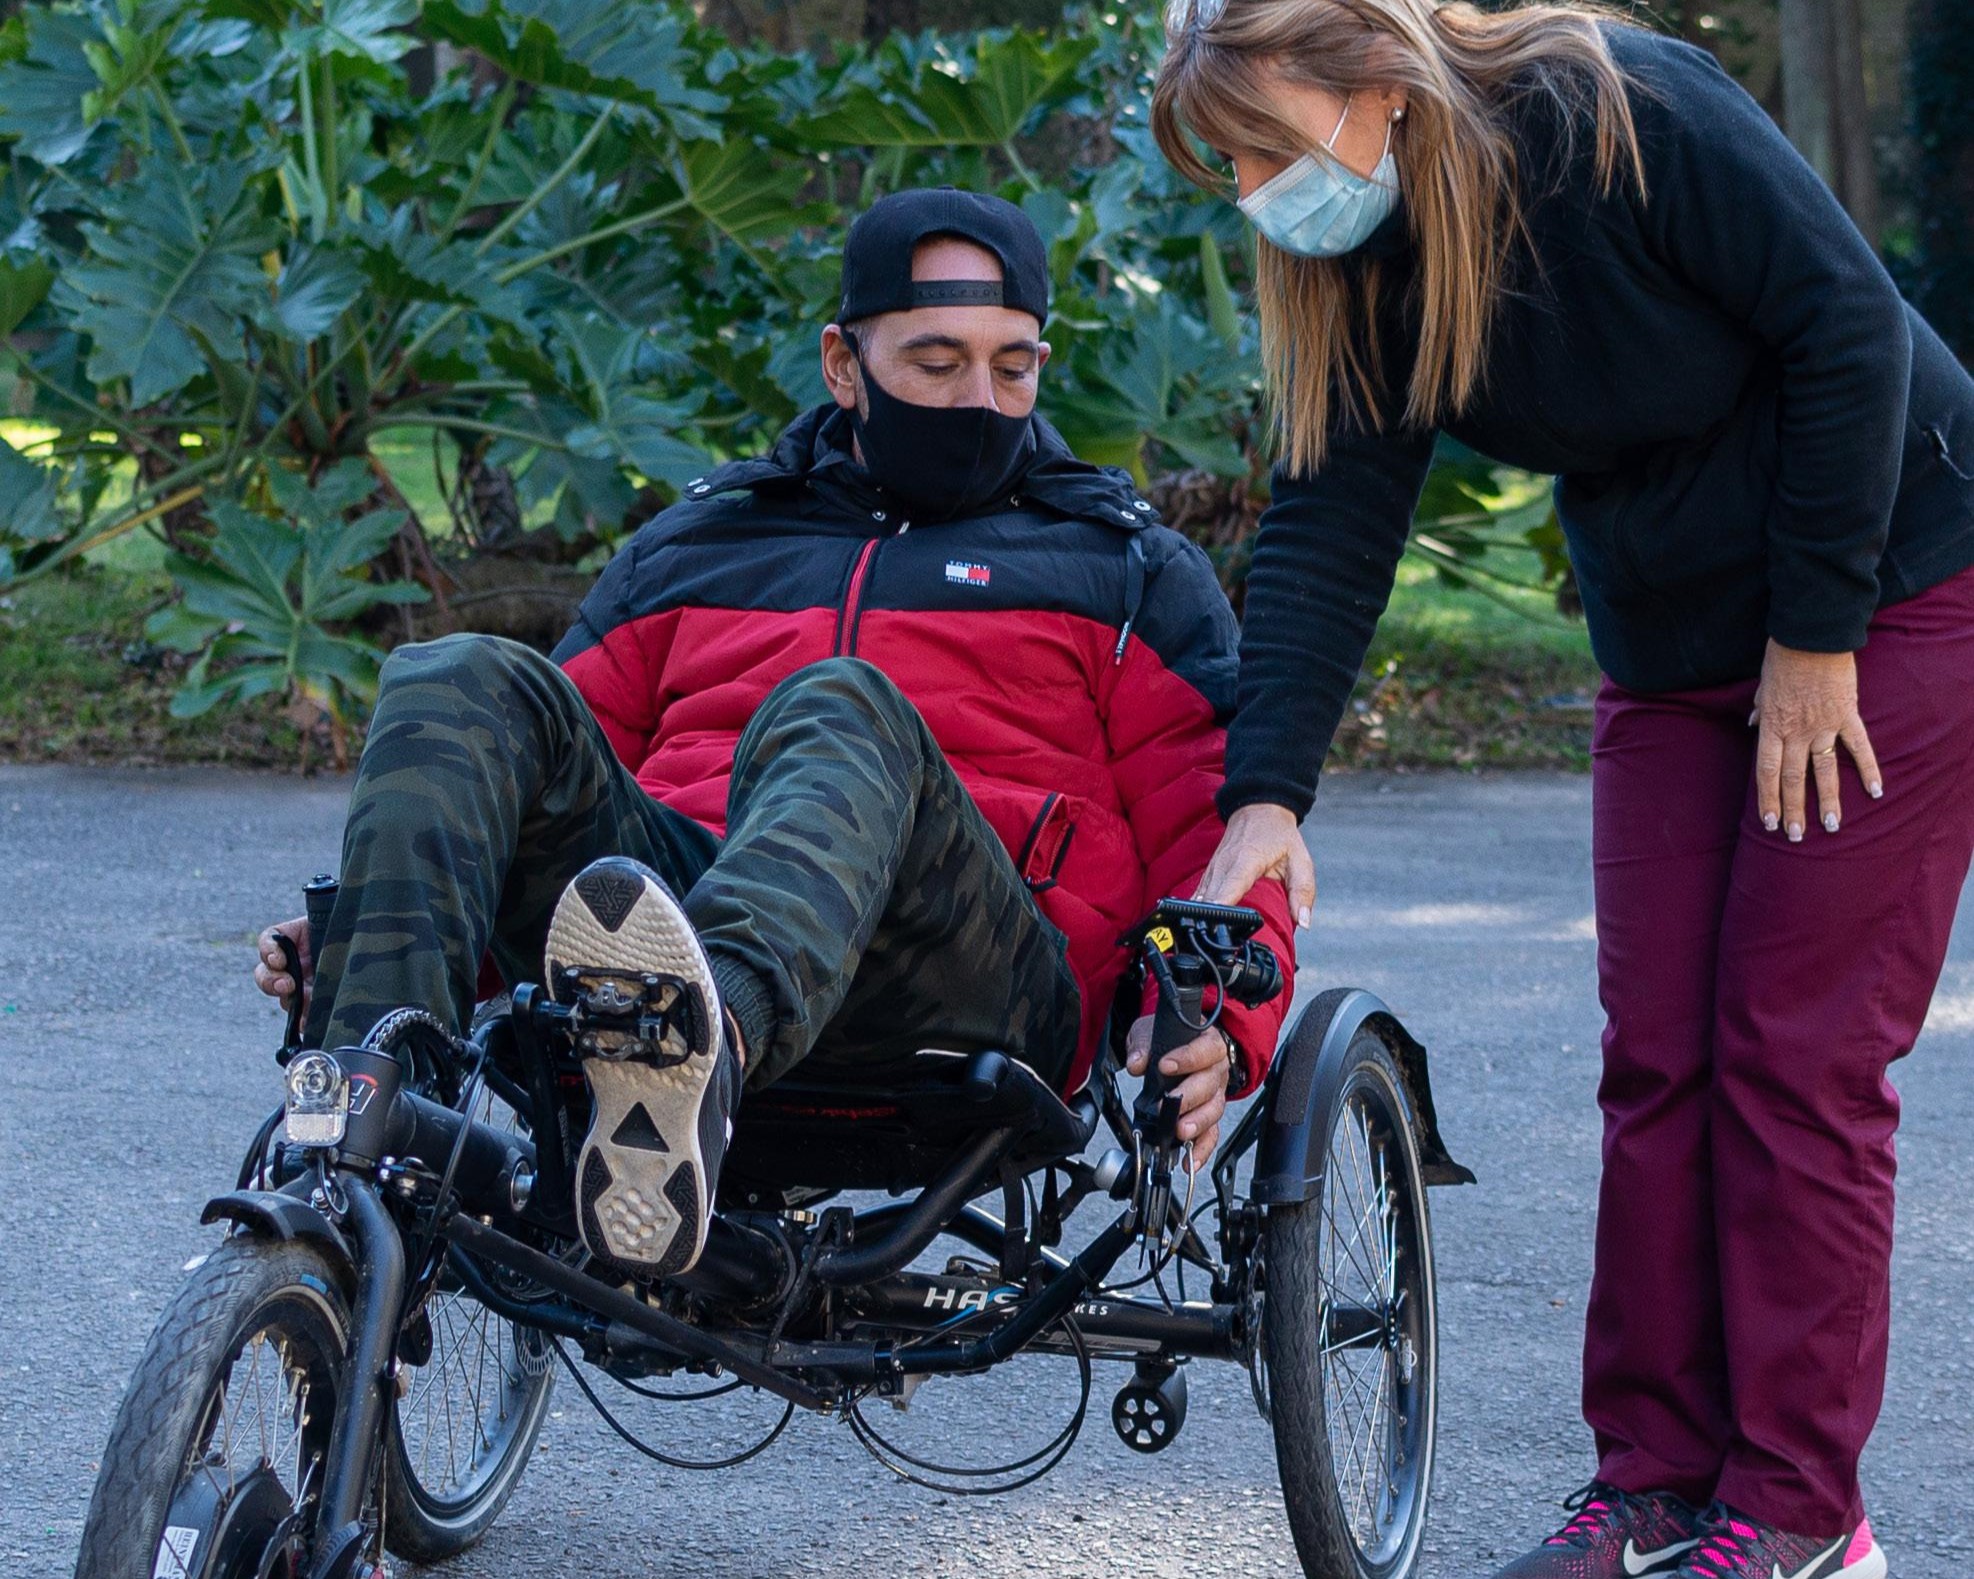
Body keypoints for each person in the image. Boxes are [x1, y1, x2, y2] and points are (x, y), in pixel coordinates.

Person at [1152, 3, 1974, 1578]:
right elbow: (1331, 516)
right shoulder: (1365, 259)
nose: (1255, 191)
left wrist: (1814, 637)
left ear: (1375, 85)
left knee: (1791, 1052)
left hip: (1884, 590)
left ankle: (1800, 1513)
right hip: (1669, 635)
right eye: (1227, 168)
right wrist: (1268, 794)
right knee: (1655, 1053)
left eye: (1262, 145)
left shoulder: (1613, 109)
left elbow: (1844, 326)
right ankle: (1655, 1481)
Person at [253, 187, 1293, 1281]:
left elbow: (1219, 830)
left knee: (841, 701)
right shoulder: (699, 543)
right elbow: (526, 788)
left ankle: (696, 1059)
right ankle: (357, 1156)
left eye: (1014, 366)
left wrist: (1217, 1023)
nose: (980, 400)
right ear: (843, 365)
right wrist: (384, 917)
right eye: (937, 364)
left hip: (971, 977)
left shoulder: (1120, 568)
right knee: (456, 676)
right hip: (679, 921)